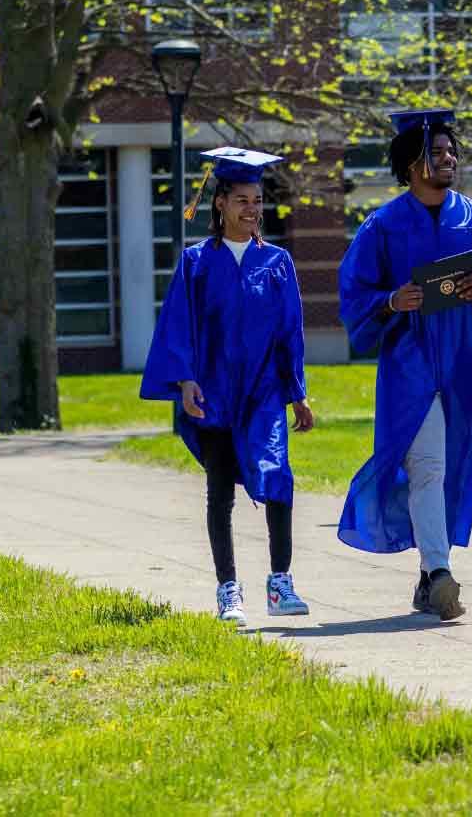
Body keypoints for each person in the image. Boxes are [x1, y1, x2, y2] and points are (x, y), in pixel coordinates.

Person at [336, 109, 472, 621]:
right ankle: (441, 573)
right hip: (410, 364)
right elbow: (355, 295)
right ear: (411, 164)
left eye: (451, 152)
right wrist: (392, 302)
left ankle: (427, 575)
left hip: (465, 361)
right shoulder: (383, 226)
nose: (449, 159)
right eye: (437, 152)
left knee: (451, 470)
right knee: (426, 465)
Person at [139, 146, 316, 625]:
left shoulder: (277, 262)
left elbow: (289, 332)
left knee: (278, 478)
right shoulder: (196, 263)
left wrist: (296, 393)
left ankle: (280, 583)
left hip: (261, 393)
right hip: (214, 391)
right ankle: (228, 590)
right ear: (219, 203)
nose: (252, 209)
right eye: (242, 200)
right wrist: (185, 381)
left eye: (257, 200)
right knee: (220, 490)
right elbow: (179, 326)